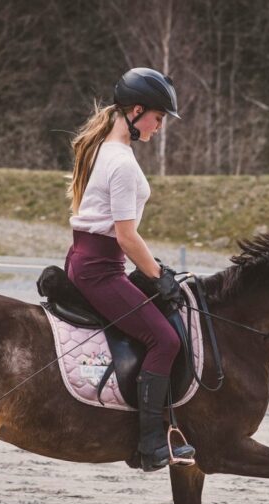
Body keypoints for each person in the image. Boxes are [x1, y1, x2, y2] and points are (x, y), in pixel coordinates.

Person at [64, 67, 195, 473]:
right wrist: (158, 274)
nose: (159, 126)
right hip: (100, 269)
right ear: (136, 111)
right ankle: (151, 443)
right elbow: (125, 236)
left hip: (91, 259)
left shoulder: (104, 148)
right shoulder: (119, 162)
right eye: (157, 117)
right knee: (165, 341)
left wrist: (155, 272)